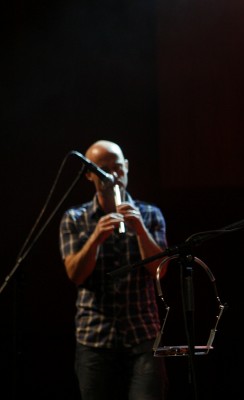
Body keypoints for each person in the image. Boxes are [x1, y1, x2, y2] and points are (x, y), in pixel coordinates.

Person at [59, 140, 169, 400]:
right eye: (103, 170)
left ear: (127, 167)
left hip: (143, 335)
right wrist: (96, 238)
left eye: (118, 167)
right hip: (95, 338)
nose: (113, 176)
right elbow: (76, 275)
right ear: (89, 174)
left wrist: (139, 229)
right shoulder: (75, 218)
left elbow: (160, 271)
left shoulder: (150, 214)